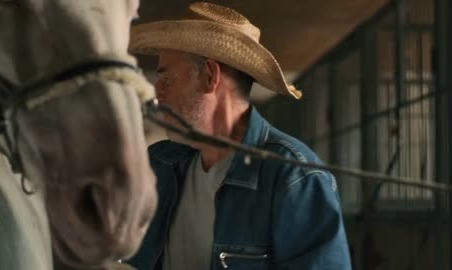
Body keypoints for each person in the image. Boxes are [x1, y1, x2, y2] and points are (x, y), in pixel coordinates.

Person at [127, 2, 352, 270]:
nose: (157, 93)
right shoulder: (159, 164)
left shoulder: (293, 178)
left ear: (210, 76)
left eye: (167, 79)